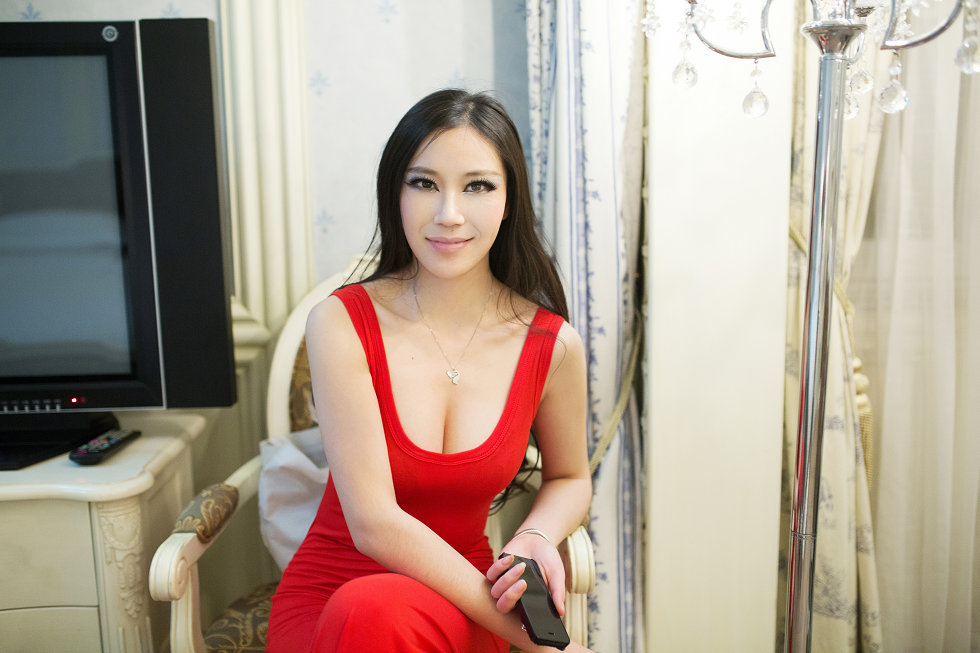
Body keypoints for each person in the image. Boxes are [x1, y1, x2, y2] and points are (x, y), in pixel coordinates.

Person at [267, 89, 593, 653]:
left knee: (379, 612)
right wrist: (538, 642)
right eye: (423, 183)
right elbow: (374, 524)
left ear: (509, 200)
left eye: (478, 186)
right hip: (332, 593)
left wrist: (535, 534)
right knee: (369, 609)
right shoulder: (341, 322)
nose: (449, 214)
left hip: (465, 599)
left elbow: (570, 477)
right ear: (395, 194)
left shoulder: (551, 344)